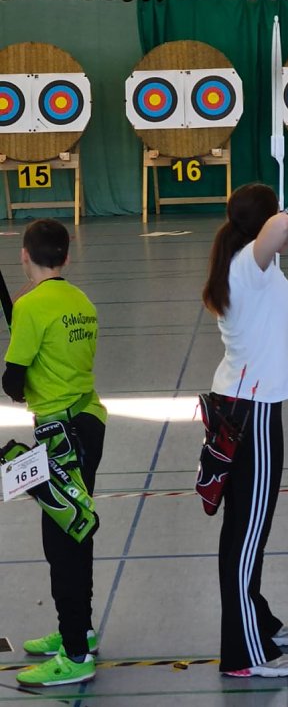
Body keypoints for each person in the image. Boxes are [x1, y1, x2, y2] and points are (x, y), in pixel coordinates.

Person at [202, 183, 288, 678]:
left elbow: (282, 234)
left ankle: (257, 619)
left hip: (248, 405)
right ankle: (244, 654)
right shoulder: (248, 265)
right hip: (252, 412)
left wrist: (280, 223)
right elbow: (283, 228)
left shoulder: (253, 264)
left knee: (248, 530)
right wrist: (283, 216)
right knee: (246, 536)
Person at [2, 218, 107, 687]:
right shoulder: (82, 301)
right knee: (73, 526)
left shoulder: (29, 307)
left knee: (63, 540)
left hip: (61, 435)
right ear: (66, 257)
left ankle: (76, 655)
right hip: (89, 423)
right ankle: (77, 629)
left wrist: (20, 389)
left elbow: (12, 380)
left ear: (25, 255)